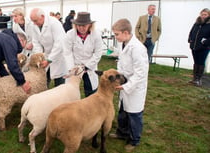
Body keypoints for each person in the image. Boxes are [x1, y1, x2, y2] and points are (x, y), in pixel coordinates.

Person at [109, 18, 149, 152]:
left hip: (134, 87)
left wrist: (126, 86)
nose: (115, 37)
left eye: (116, 34)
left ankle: (134, 140)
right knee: (123, 112)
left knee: (134, 115)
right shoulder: (124, 43)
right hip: (124, 82)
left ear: (125, 32)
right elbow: (122, 62)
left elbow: (140, 73)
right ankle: (122, 133)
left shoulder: (138, 48)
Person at [64, 12, 103, 97]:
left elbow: (98, 53)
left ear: (90, 25)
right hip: (75, 65)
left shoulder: (96, 35)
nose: (81, 28)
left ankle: (90, 107)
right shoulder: (70, 34)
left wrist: (87, 66)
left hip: (89, 66)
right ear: (75, 25)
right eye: (79, 25)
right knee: (70, 91)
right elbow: (67, 52)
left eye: (84, 25)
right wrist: (72, 68)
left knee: (91, 91)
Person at [30, 8, 67, 88]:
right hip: (46, 55)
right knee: (44, 80)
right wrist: (39, 56)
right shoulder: (35, 25)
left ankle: (61, 98)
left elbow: (59, 43)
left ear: (42, 16)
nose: (34, 23)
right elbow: (35, 42)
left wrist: (49, 59)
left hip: (59, 56)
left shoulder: (54, 23)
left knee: (60, 83)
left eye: (35, 21)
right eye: (33, 21)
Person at [188, 8, 210, 87]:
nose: (203, 16)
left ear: (208, 15)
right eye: (202, 14)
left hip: (204, 48)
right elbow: (191, 32)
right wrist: (190, 39)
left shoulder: (209, 25)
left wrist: (205, 42)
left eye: (205, 15)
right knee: (196, 62)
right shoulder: (197, 23)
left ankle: (199, 79)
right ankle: (194, 78)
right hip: (194, 46)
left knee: (201, 62)